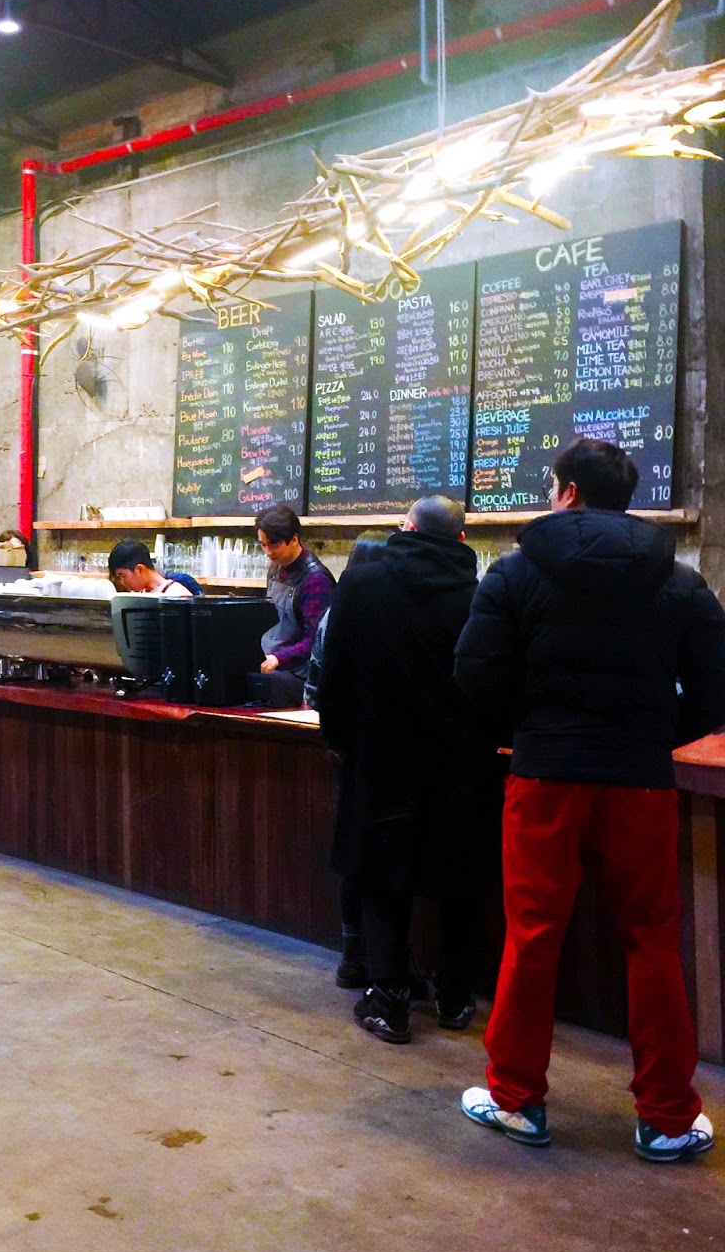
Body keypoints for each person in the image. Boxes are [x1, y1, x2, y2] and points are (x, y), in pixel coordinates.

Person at [455, 437, 725, 1161]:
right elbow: (714, 692)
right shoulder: (680, 581)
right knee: (653, 940)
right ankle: (667, 1117)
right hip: (640, 778)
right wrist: (656, 732)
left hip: (545, 774)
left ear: (568, 491)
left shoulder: (514, 573)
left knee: (532, 934)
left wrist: (531, 729)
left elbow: (474, 673)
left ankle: (516, 1100)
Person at [317, 496, 490, 1043]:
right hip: (460, 762)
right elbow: (494, 681)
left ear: (406, 527)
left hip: (380, 757)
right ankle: (456, 995)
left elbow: (334, 674)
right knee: (458, 879)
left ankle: (389, 997)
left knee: (380, 876)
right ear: (461, 540)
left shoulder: (362, 585)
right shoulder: (481, 595)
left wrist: (338, 738)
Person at [303, 529, 391, 991]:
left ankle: (353, 955)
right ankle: (388, 961)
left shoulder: (336, 615)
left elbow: (315, 687)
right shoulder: (400, 611)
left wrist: (334, 737)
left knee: (354, 850)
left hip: (349, 752)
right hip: (393, 754)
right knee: (384, 857)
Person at [255, 504, 335, 707]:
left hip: (301, 673)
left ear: (294, 539)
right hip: (273, 660)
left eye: (274, 545)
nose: (268, 552)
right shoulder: (276, 567)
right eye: (263, 545)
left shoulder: (316, 580)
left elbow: (315, 641)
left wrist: (279, 658)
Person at [108, 540, 193, 597]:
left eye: (122, 575)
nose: (122, 582)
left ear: (139, 569)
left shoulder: (178, 595)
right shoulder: (138, 595)